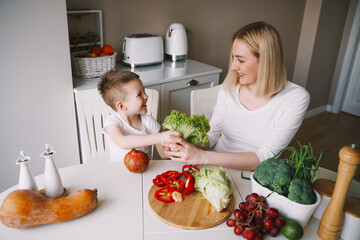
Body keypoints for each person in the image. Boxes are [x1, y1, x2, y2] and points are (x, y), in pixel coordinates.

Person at [165, 21, 310, 170]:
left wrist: (201, 156)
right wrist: (185, 143)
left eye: (240, 60)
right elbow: (212, 136)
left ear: (266, 61)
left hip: (253, 176)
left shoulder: (295, 98)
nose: (233, 66)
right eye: (233, 58)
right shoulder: (229, 88)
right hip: (212, 166)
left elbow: (266, 157)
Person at [98, 70, 179, 161]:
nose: (146, 96)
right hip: (118, 172)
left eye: (144, 91)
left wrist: (175, 146)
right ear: (122, 106)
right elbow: (123, 142)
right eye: (139, 94)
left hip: (145, 171)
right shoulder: (112, 123)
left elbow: (163, 153)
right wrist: (160, 137)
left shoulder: (149, 121)